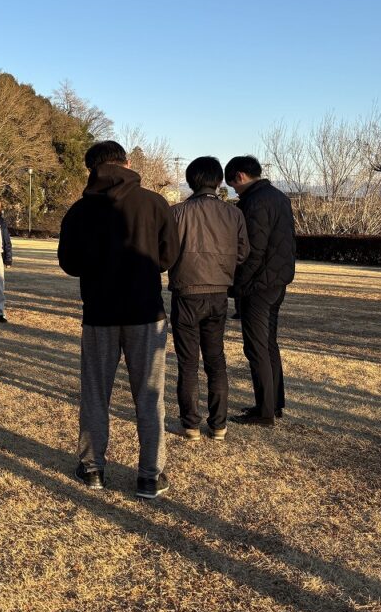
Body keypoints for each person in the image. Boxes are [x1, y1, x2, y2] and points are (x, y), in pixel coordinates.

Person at [58, 141, 178, 499]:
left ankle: (93, 468)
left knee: (95, 392)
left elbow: (69, 263)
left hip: (99, 313)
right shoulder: (155, 203)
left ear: (91, 169)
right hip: (146, 313)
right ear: (127, 162)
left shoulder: (79, 210)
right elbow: (168, 256)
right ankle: (149, 476)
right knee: (150, 394)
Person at [168, 156, 249, 441]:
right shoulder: (234, 214)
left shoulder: (176, 212)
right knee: (216, 360)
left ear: (191, 181)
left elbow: (164, 254)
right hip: (218, 293)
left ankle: (189, 424)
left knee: (188, 362)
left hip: (186, 292)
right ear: (218, 181)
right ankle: (219, 425)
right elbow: (242, 253)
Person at [224, 155, 296, 426]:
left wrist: (237, 286)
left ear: (240, 176)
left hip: (258, 284)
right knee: (268, 344)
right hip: (277, 282)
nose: (234, 190)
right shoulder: (279, 197)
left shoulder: (254, 202)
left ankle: (264, 411)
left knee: (256, 347)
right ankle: (274, 403)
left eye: (233, 185)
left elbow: (251, 252)